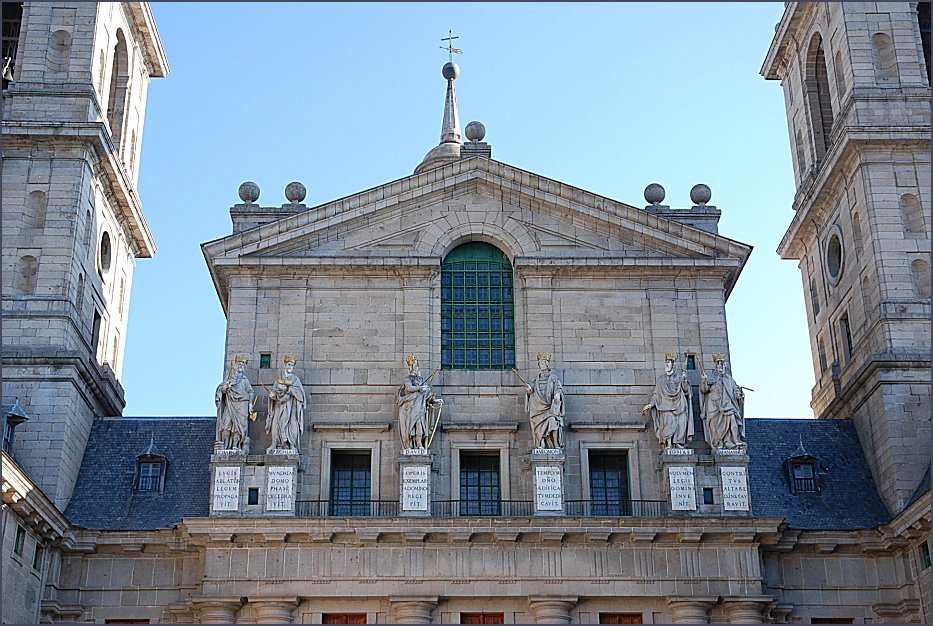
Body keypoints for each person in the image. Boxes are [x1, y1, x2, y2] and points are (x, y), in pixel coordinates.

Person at [642, 352, 693, 450]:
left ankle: (678, 443)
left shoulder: (679, 377)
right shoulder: (661, 380)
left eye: (668, 362)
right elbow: (656, 395)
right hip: (665, 407)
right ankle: (668, 443)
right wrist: (650, 405)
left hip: (679, 405)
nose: (666, 364)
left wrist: (684, 381)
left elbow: (686, 390)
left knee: (680, 425)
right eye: (665, 362)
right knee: (668, 423)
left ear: (673, 364)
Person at [699, 353, 745, 450]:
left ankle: (735, 440)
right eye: (718, 363)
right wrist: (704, 381)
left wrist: (739, 394)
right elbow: (704, 390)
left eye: (722, 363)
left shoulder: (729, 379)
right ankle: (719, 442)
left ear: (724, 365)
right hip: (713, 405)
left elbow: (735, 390)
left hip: (727, 404)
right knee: (715, 426)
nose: (720, 365)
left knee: (732, 420)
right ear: (715, 366)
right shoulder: (712, 377)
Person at [397, 354, 443, 450]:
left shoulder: (421, 380)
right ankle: (409, 445)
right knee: (410, 426)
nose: (415, 367)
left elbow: (428, 395)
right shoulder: (408, 379)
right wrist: (420, 388)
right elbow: (409, 388)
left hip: (420, 408)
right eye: (413, 365)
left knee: (420, 426)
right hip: (409, 408)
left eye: (415, 365)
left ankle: (419, 444)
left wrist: (436, 401)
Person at [523, 352, 565, 450]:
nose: (541, 365)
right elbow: (531, 390)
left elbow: (559, 388)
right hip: (537, 408)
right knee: (538, 425)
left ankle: (556, 445)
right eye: (540, 363)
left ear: (547, 364)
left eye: (543, 362)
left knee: (553, 422)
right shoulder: (535, 380)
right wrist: (529, 390)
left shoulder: (553, 378)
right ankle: (540, 443)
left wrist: (558, 394)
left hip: (550, 407)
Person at [265, 355, 306, 453]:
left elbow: (300, 394)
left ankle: (291, 444)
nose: (290, 367)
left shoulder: (295, 380)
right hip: (279, 406)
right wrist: (272, 395)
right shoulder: (279, 379)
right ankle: (275, 443)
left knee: (291, 424)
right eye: (288, 364)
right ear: (285, 365)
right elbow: (274, 391)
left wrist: (288, 389)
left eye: (292, 365)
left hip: (291, 406)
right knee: (276, 424)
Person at [215, 354, 255, 452]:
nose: (241, 366)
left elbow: (251, 392)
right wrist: (224, 388)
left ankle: (235, 445)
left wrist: (250, 404)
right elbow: (221, 389)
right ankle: (225, 445)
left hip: (242, 405)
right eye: (239, 363)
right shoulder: (229, 379)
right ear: (236, 365)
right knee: (227, 424)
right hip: (230, 404)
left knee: (239, 427)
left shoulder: (245, 380)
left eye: (243, 364)